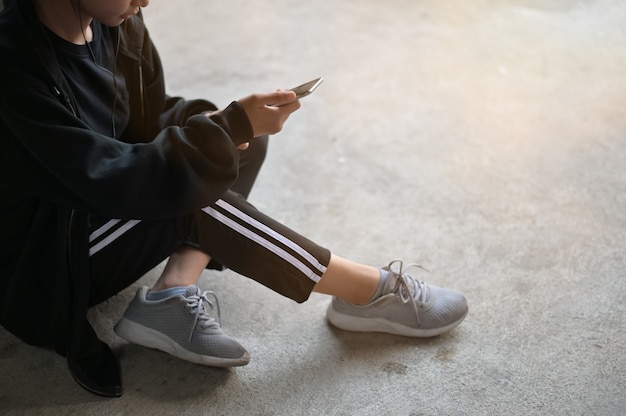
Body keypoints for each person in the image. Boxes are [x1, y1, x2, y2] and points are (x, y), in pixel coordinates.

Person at [0, 0, 468, 398]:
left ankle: (170, 294)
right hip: (40, 264)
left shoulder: (113, 19)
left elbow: (146, 120)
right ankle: (367, 292)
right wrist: (223, 131)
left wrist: (224, 123)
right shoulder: (13, 64)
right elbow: (110, 178)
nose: (146, 1)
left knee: (236, 146)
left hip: (94, 209)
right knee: (197, 194)